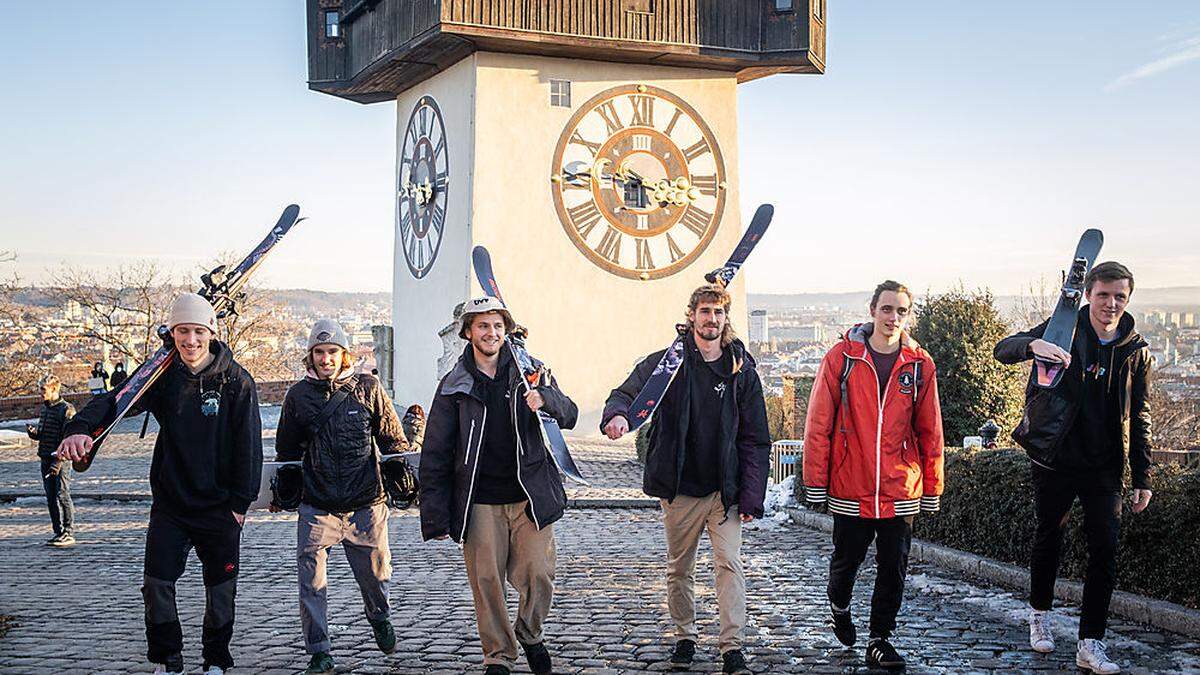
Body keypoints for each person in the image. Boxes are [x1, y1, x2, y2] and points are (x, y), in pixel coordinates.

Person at [58, 293, 263, 675]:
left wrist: (239, 504)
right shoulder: (161, 376)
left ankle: (216, 659)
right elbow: (115, 401)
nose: (190, 340)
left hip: (219, 508)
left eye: (198, 331)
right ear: (172, 333)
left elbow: (249, 445)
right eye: (183, 331)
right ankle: (168, 660)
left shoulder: (236, 380)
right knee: (156, 584)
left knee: (220, 591)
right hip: (171, 504)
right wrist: (78, 428)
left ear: (211, 332)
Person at [601, 283, 770, 675]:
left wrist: (751, 495)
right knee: (680, 567)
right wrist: (618, 415)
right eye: (705, 311)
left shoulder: (740, 370)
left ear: (726, 320)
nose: (712, 319)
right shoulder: (668, 363)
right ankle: (685, 635)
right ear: (692, 315)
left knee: (729, 563)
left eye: (718, 313)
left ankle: (732, 647)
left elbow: (756, 437)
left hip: (723, 491)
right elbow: (626, 392)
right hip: (680, 488)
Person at [994, 261, 1152, 675]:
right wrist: (1034, 347)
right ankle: (1040, 614)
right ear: (1087, 295)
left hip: (1104, 467)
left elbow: (1141, 416)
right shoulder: (1065, 327)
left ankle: (1090, 643)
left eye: (1119, 296)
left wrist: (1143, 477)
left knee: (1105, 550)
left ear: (1128, 299)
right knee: (1050, 537)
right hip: (1056, 456)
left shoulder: (1135, 350)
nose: (1111, 304)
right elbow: (1004, 348)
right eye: (1103, 295)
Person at [420, 296, 578, 675]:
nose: (490, 333)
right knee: (487, 581)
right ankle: (498, 655)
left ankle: (530, 632)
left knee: (538, 574)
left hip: (530, 496)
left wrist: (547, 398)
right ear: (469, 332)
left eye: (496, 326)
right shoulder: (453, 384)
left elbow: (569, 413)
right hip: (479, 501)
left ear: (506, 330)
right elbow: (436, 451)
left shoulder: (531, 372)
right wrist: (436, 514)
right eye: (482, 326)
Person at [801, 280, 944, 671]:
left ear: (907, 315)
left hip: (900, 486)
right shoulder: (842, 358)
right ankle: (839, 604)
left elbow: (931, 429)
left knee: (894, 566)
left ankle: (880, 639)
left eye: (900, 311)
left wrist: (932, 485)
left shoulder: (919, 364)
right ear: (872, 310)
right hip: (852, 484)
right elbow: (818, 425)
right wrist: (815, 482)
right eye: (886, 309)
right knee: (846, 562)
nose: (892, 318)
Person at [273, 319, 409, 675]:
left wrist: (400, 471)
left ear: (344, 354)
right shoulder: (298, 397)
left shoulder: (368, 387)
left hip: (365, 503)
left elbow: (392, 438)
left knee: (376, 578)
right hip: (318, 507)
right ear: (311, 356)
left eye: (332, 351)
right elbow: (286, 450)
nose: (326, 358)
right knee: (311, 584)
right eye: (319, 352)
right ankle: (319, 651)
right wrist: (285, 482)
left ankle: (379, 616)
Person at [26, 374, 76, 547]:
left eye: (43, 389)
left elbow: (67, 438)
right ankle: (58, 531)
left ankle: (68, 532)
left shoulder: (67, 410)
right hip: (45, 457)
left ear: (54, 389)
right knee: (50, 497)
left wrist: (59, 461)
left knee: (62, 494)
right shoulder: (46, 409)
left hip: (60, 460)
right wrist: (33, 433)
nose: (40, 393)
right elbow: (42, 434)